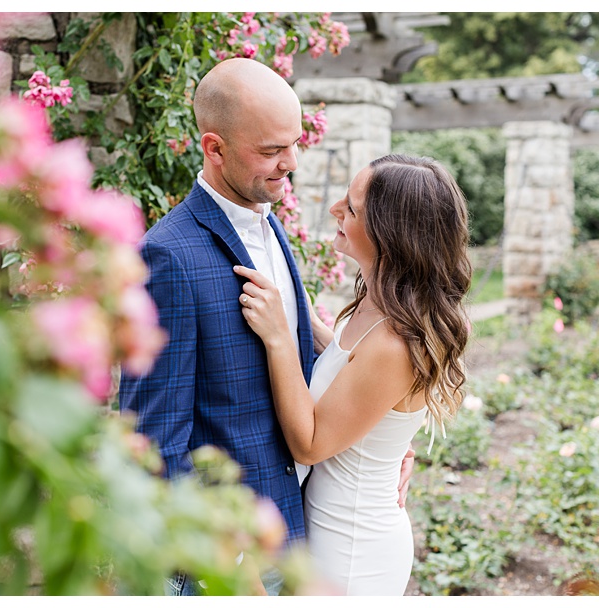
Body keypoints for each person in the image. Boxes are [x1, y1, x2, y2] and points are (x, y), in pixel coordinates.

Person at [118, 57, 413, 596]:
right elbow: (151, 440)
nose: (291, 163)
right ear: (214, 148)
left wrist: (383, 445)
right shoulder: (168, 257)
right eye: (272, 151)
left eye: (294, 144)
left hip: (296, 535)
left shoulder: (270, 224)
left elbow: (312, 364)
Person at [233, 153, 472, 595]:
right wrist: (294, 308)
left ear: (390, 235)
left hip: (351, 552)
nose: (334, 210)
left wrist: (280, 338)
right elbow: (345, 360)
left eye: (352, 208)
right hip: (329, 530)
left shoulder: (395, 342)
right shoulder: (378, 304)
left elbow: (310, 444)